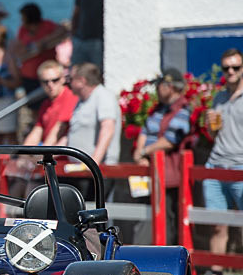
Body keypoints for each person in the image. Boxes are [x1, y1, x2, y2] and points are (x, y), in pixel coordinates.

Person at [132, 68, 191, 244]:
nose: (157, 90)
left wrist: (144, 151)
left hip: (170, 176)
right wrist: (138, 154)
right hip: (152, 172)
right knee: (147, 216)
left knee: (169, 220)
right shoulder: (159, 109)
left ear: (169, 86)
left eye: (159, 86)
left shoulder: (183, 109)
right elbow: (145, 130)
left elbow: (170, 141)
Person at [202, 48, 243, 275]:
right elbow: (214, 136)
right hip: (216, 164)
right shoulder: (218, 97)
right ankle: (216, 273)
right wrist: (210, 127)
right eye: (226, 67)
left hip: (240, 166)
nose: (230, 71)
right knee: (217, 224)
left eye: (235, 67)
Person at [56, 62, 121, 200]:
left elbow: (108, 129)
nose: (67, 83)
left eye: (71, 79)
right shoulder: (82, 101)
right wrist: (48, 153)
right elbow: (72, 134)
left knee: (93, 215)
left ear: (81, 81)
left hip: (97, 171)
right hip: (80, 171)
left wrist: (93, 162)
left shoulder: (103, 96)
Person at [13, 3, 69, 101]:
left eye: (23, 17)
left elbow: (63, 30)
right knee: (34, 107)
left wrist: (43, 42)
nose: (21, 20)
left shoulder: (47, 26)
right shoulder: (23, 30)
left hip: (48, 76)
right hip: (29, 77)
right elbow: (19, 50)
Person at [23, 60, 79, 146]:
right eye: (45, 82)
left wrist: (44, 155)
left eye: (55, 80)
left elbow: (59, 130)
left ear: (63, 79)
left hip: (63, 157)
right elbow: (37, 130)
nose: (50, 84)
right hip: (51, 154)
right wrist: (23, 154)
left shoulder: (70, 97)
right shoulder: (46, 103)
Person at [71, 0, 104, 69]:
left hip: (98, 40)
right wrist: (74, 32)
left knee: (96, 70)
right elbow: (76, 13)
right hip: (81, 38)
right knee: (76, 69)